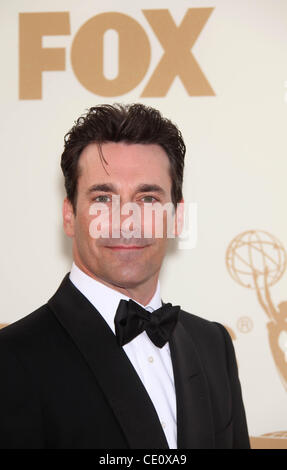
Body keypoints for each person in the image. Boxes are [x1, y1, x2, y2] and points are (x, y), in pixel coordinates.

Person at [0, 103, 250, 449]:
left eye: (147, 199)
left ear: (176, 217)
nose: (126, 221)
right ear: (70, 216)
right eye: (103, 198)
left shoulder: (213, 345)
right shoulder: (11, 359)